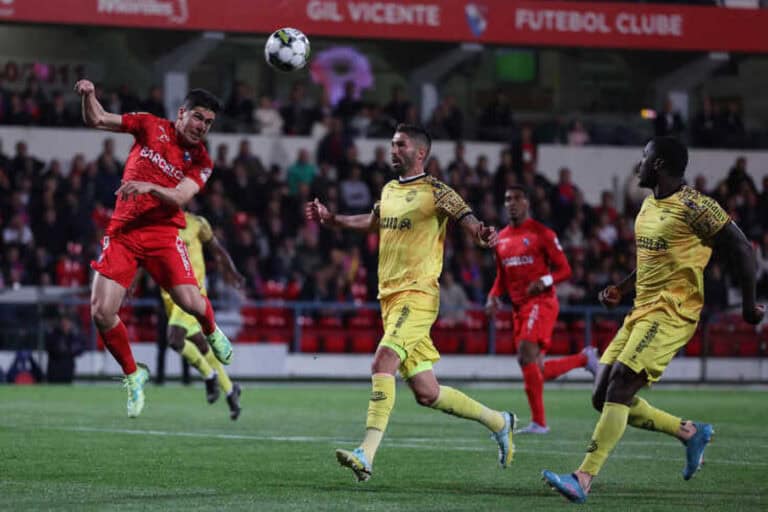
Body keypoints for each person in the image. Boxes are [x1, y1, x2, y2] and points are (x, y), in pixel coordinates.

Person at [542, 136, 764, 503]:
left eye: (644, 157)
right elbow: (650, 260)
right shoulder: (647, 205)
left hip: (674, 310)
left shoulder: (695, 205)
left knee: (620, 388)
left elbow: (741, 247)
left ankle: (582, 477)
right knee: (602, 396)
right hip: (641, 309)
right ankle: (690, 433)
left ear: (659, 164)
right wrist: (622, 288)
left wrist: (748, 305)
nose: (639, 164)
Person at [305, 124, 515, 483]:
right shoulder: (388, 189)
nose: (393, 150)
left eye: (400, 145)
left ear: (420, 153)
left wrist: (483, 234)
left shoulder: (437, 191)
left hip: (418, 295)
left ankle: (365, 453)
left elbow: (471, 223)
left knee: (382, 360)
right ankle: (499, 421)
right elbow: (373, 223)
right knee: (427, 392)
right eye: (392, 144)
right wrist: (333, 219)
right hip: (388, 298)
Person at [75, 78, 234, 418]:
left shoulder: (202, 160)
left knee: (189, 301)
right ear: (182, 113)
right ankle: (134, 375)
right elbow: (98, 119)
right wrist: (89, 95)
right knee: (101, 312)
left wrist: (148, 185)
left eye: (208, 123)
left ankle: (211, 329)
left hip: (162, 234)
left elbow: (179, 197)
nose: (202, 127)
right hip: (124, 232)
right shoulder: (149, 125)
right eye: (198, 118)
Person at [486, 186, 598, 435]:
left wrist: (545, 281)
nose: (511, 203)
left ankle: (540, 423)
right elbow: (501, 277)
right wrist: (493, 296)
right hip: (518, 308)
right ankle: (584, 359)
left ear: (526, 202)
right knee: (536, 368)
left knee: (526, 354)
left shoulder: (541, 233)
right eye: (507, 199)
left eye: (516, 198)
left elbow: (565, 269)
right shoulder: (501, 238)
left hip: (541, 302)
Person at [159, 211, 245, 420]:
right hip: (169, 294)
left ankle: (209, 376)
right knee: (202, 345)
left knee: (174, 339)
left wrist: (231, 271)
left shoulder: (197, 223)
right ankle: (230, 390)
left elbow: (218, 250)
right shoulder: (157, 225)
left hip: (191, 291)